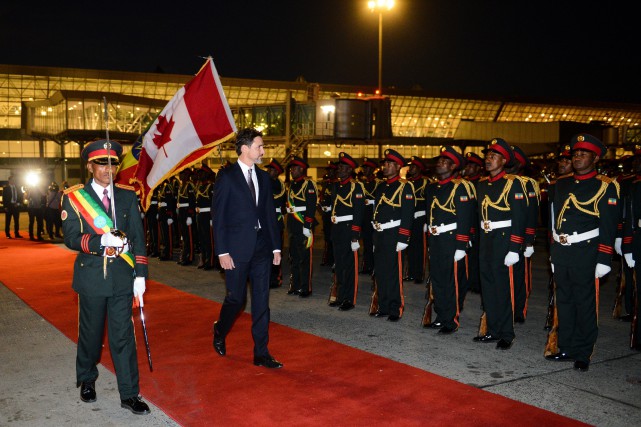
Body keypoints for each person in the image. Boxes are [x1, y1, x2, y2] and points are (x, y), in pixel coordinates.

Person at [61, 139, 150, 415]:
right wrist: (101, 240)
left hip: (123, 278)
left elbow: (137, 237)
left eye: (112, 163)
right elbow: (71, 238)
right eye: (101, 163)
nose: (108, 169)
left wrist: (141, 274)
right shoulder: (74, 197)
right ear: (90, 166)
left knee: (123, 337)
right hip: (91, 279)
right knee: (90, 335)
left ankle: (129, 393)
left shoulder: (126, 195)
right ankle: (87, 378)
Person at [211, 128, 283, 369]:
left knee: (262, 301)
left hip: (262, 248)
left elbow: (270, 215)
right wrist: (222, 252)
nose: (263, 151)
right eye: (259, 147)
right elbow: (218, 217)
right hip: (236, 250)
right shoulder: (227, 177)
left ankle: (261, 353)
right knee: (236, 299)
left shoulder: (263, 178)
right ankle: (220, 330)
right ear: (244, 149)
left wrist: (276, 247)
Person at [547, 133, 619, 371]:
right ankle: (566, 346)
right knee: (565, 301)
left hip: (586, 251)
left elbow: (608, 224)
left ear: (595, 158)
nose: (577, 157)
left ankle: (583, 352)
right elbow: (555, 220)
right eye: (575, 153)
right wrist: (554, 251)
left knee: (584, 303)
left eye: (583, 153)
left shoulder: (605, 185)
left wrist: (604, 257)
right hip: (563, 249)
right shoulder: (563, 183)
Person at [473, 138, 528, 350]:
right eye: (487, 156)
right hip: (487, 239)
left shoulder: (514, 184)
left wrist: (515, 247)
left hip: (504, 241)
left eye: (493, 156)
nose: (488, 159)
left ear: (504, 160)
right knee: (488, 288)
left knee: (503, 289)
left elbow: (519, 217)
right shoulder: (482, 184)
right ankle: (493, 330)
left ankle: (506, 333)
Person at [424, 147, 476, 334]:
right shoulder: (432, 187)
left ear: (454, 166)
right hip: (436, 238)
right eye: (439, 160)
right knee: (437, 279)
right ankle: (441, 315)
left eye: (445, 161)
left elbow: (465, 216)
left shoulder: (461, 186)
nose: (439, 163)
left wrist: (462, 244)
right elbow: (431, 212)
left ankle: (451, 319)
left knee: (451, 280)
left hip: (452, 239)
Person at [371, 149, 415, 322]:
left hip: (394, 234)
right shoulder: (381, 186)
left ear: (398, 167)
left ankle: (395, 308)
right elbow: (377, 211)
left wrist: (403, 237)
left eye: (389, 164)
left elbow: (407, 213)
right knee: (381, 272)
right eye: (385, 163)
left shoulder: (405, 186)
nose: (385, 166)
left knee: (394, 273)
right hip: (380, 233)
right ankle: (383, 305)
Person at [507, 145, 540, 323]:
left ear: (519, 164)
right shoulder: (500, 181)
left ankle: (519, 309)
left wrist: (528, 240)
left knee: (519, 276)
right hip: (500, 235)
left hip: (519, 236)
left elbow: (531, 213)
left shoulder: (528, 183)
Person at [329, 152, 365, 311]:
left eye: (343, 167)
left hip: (348, 230)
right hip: (337, 230)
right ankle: (340, 295)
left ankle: (349, 299)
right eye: (339, 166)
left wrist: (355, 236)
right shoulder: (337, 186)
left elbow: (358, 212)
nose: (339, 169)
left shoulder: (356, 187)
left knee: (349, 266)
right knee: (340, 265)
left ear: (350, 170)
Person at [285, 155, 318, 297]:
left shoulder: (309, 185)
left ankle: (305, 287)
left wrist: (308, 225)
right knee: (294, 257)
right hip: (293, 225)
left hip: (304, 225)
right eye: (291, 168)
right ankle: (295, 285)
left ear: (301, 169)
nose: (291, 170)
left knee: (305, 258)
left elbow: (311, 206)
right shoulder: (292, 185)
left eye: (294, 168)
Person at [404, 156, 429, 284]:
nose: (410, 169)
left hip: (420, 218)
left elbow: (430, 203)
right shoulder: (407, 183)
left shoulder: (426, 183)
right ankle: (411, 273)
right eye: (410, 166)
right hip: (409, 218)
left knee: (420, 248)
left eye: (413, 166)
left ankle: (419, 274)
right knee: (409, 247)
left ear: (419, 168)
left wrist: (427, 221)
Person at [463, 152, 484, 295]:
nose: (468, 168)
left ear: (478, 168)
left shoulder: (481, 184)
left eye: (471, 166)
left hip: (477, 223)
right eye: (467, 165)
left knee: (477, 253)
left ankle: (476, 282)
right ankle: (468, 280)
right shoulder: (464, 183)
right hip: (466, 222)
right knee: (466, 253)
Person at [265, 158, 286, 287]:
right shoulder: (268, 182)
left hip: (274, 220)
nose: (268, 171)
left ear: (277, 172)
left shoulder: (276, 184)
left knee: (275, 250)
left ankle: (274, 278)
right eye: (268, 168)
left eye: (272, 169)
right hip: (268, 219)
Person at [359, 157, 380, 275]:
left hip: (374, 216)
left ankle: (375, 266)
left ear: (373, 169)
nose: (365, 170)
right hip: (364, 217)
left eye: (367, 168)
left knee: (375, 243)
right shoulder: (361, 183)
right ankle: (367, 266)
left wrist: (371, 202)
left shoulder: (378, 183)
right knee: (366, 243)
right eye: (364, 167)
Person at [195, 165, 215, 270]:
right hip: (200, 215)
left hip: (208, 216)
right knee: (202, 239)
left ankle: (210, 261)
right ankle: (203, 259)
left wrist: (212, 218)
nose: (199, 175)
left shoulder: (210, 187)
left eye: (201, 173)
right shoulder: (200, 186)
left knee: (209, 239)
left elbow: (213, 204)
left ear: (206, 174)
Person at [176, 168, 196, 266]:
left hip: (186, 212)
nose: (180, 176)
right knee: (183, 235)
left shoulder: (189, 186)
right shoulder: (181, 186)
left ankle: (190, 257)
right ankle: (183, 255)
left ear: (186, 175)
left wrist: (190, 215)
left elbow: (192, 201)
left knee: (189, 237)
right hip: (181, 212)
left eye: (182, 174)